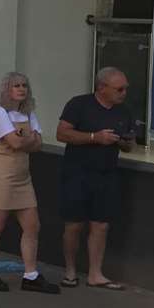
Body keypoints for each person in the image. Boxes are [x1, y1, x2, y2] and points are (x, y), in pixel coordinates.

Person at [56, 67, 135, 290]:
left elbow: (130, 144)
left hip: (107, 174)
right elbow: (62, 133)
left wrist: (125, 142)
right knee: (74, 224)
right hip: (77, 173)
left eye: (125, 89)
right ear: (101, 88)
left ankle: (95, 273)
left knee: (101, 224)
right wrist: (94, 137)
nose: (123, 93)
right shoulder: (79, 105)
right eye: (119, 89)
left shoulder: (123, 111)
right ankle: (70, 271)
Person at [0, 71, 59, 294]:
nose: (21, 89)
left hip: (23, 177)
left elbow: (38, 144)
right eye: (16, 85)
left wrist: (25, 140)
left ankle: (30, 275)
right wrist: (28, 138)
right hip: (1, 176)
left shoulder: (28, 113)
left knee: (32, 225)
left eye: (24, 85)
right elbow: (15, 143)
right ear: (7, 89)